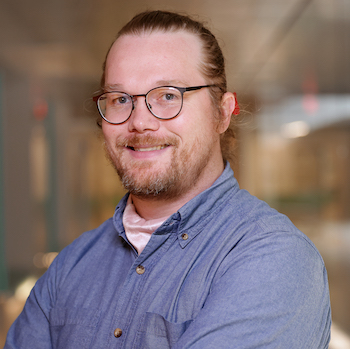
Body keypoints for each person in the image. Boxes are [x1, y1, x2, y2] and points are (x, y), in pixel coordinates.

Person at [5, 10, 331, 349]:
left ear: (222, 112)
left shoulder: (275, 258)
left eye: (168, 96)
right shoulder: (70, 267)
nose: (140, 123)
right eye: (120, 100)